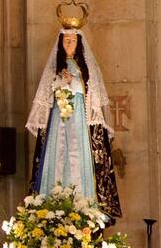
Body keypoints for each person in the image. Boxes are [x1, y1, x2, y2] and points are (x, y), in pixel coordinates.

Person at [26, 21, 121, 218]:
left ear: (79, 44)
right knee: (56, 157)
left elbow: (90, 94)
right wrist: (60, 81)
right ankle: (50, 210)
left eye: (73, 41)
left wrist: (74, 82)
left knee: (79, 159)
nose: (69, 44)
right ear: (60, 44)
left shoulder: (85, 69)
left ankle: (83, 210)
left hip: (79, 120)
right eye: (66, 41)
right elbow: (46, 96)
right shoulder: (55, 68)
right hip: (58, 121)